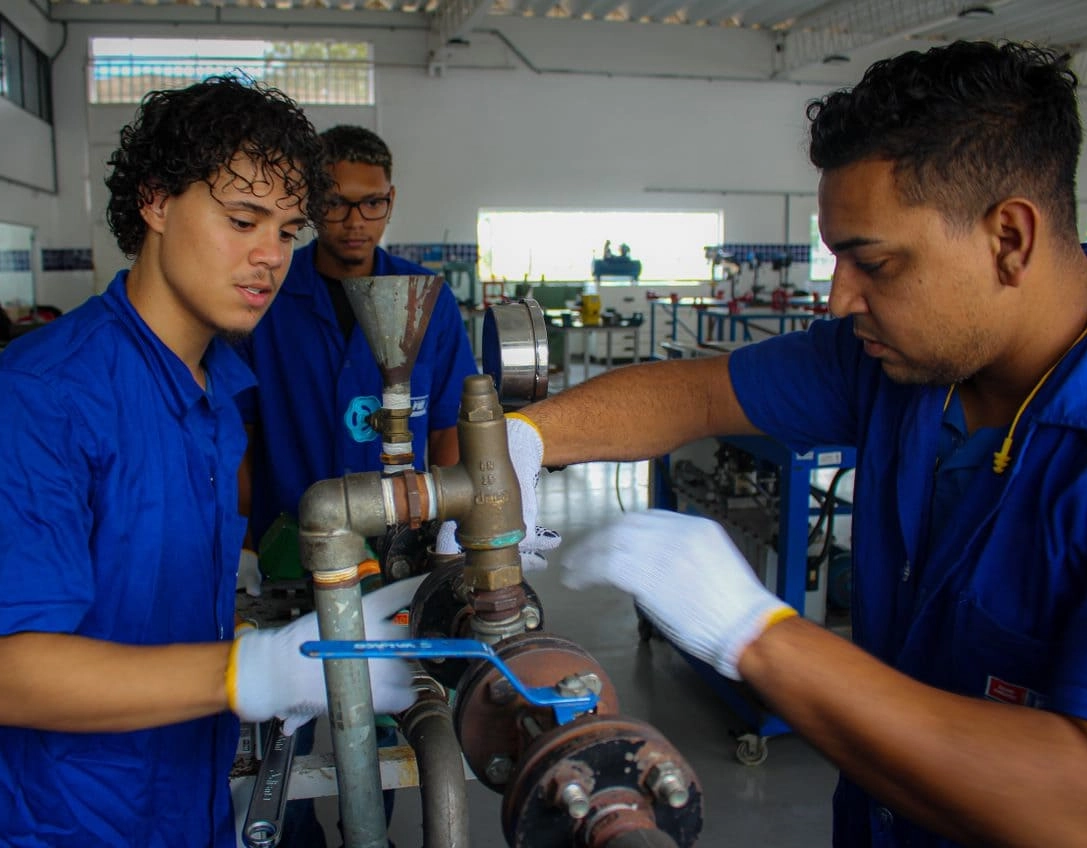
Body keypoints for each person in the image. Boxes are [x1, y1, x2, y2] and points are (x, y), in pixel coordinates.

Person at [498, 41, 1087, 848]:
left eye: (870, 261)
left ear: (1008, 238)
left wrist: (758, 634)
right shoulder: (891, 365)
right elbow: (697, 391)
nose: (839, 298)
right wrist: (525, 440)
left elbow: (1069, 802)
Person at [0, 76, 417, 847]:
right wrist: (250, 671)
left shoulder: (218, 386)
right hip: (67, 819)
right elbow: (11, 672)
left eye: (288, 230)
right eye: (241, 219)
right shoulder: (43, 396)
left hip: (188, 799)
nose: (269, 257)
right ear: (156, 204)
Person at [237, 124, 478, 553]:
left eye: (372, 203)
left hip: (399, 541)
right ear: (311, 201)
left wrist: (448, 541)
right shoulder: (267, 296)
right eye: (335, 203)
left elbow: (447, 433)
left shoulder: (426, 300)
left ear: (391, 200)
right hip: (289, 542)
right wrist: (246, 546)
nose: (355, 222)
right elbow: (240, 437)